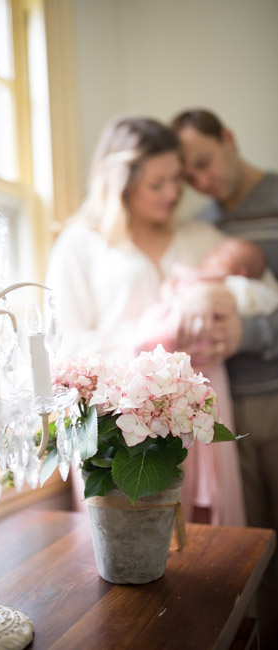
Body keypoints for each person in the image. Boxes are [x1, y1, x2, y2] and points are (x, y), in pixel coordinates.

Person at [46, 115, 245, 527]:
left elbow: (260, 291)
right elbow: (65, 347)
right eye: (158, 184)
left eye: (177, 180)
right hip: (121, 429)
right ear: (120, 182)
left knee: (212, 552)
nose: (173, 194)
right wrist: (152, 344)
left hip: (200, 420)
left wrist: (225, 306)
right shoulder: (80, 245)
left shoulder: (199, 237)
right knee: (132, 550)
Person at [172, 108, 278, 649]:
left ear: (229, 139)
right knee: (255, 545)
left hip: (275, 397)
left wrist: (252, 332)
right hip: (231, 408)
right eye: (189, 175)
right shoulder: (204, 227)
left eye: (204, 162)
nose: (200, 180)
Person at [135, 237, 278, 354]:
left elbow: (192, 275)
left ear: (239, 272)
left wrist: (178, 270)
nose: (213, 252)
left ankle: (149, 345)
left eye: (222, 253)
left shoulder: (226, 277)